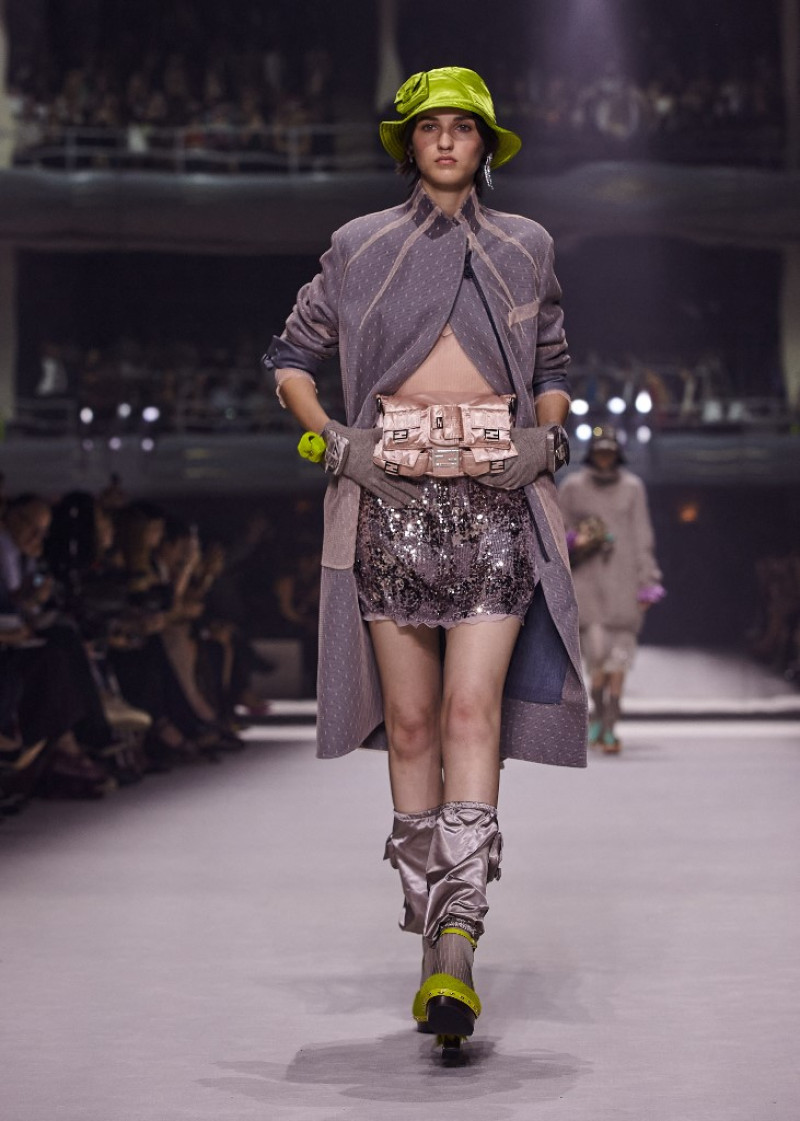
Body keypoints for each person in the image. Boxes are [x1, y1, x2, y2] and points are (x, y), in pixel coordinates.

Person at [263, 66, 587, 1062]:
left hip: (491, 493)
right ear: (407, 143)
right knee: (406, 721)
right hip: (390, 495)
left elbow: (554, 372)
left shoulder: (525, 246)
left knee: (466, 712)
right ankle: (427, 923)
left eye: (462, 127)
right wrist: (330, 443)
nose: (445, 140)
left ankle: (458, 932)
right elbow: (289, 354)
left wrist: (548, 440)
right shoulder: (358, 246)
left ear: (485, 144)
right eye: (428, 127)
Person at [559, 426, 665, 753]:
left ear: (617, 454)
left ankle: (609, 724)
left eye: (610, 452)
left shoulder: (633, 488)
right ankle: (597, 716)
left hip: (624, 582)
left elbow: (642, 536)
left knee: (619, 659)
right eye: (600, 451)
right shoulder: (574, 487)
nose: (605, 457)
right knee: (597, 658)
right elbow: (557, 532)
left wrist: (648, 581)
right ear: (592, 453)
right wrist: (580, 539)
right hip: (587, 583)